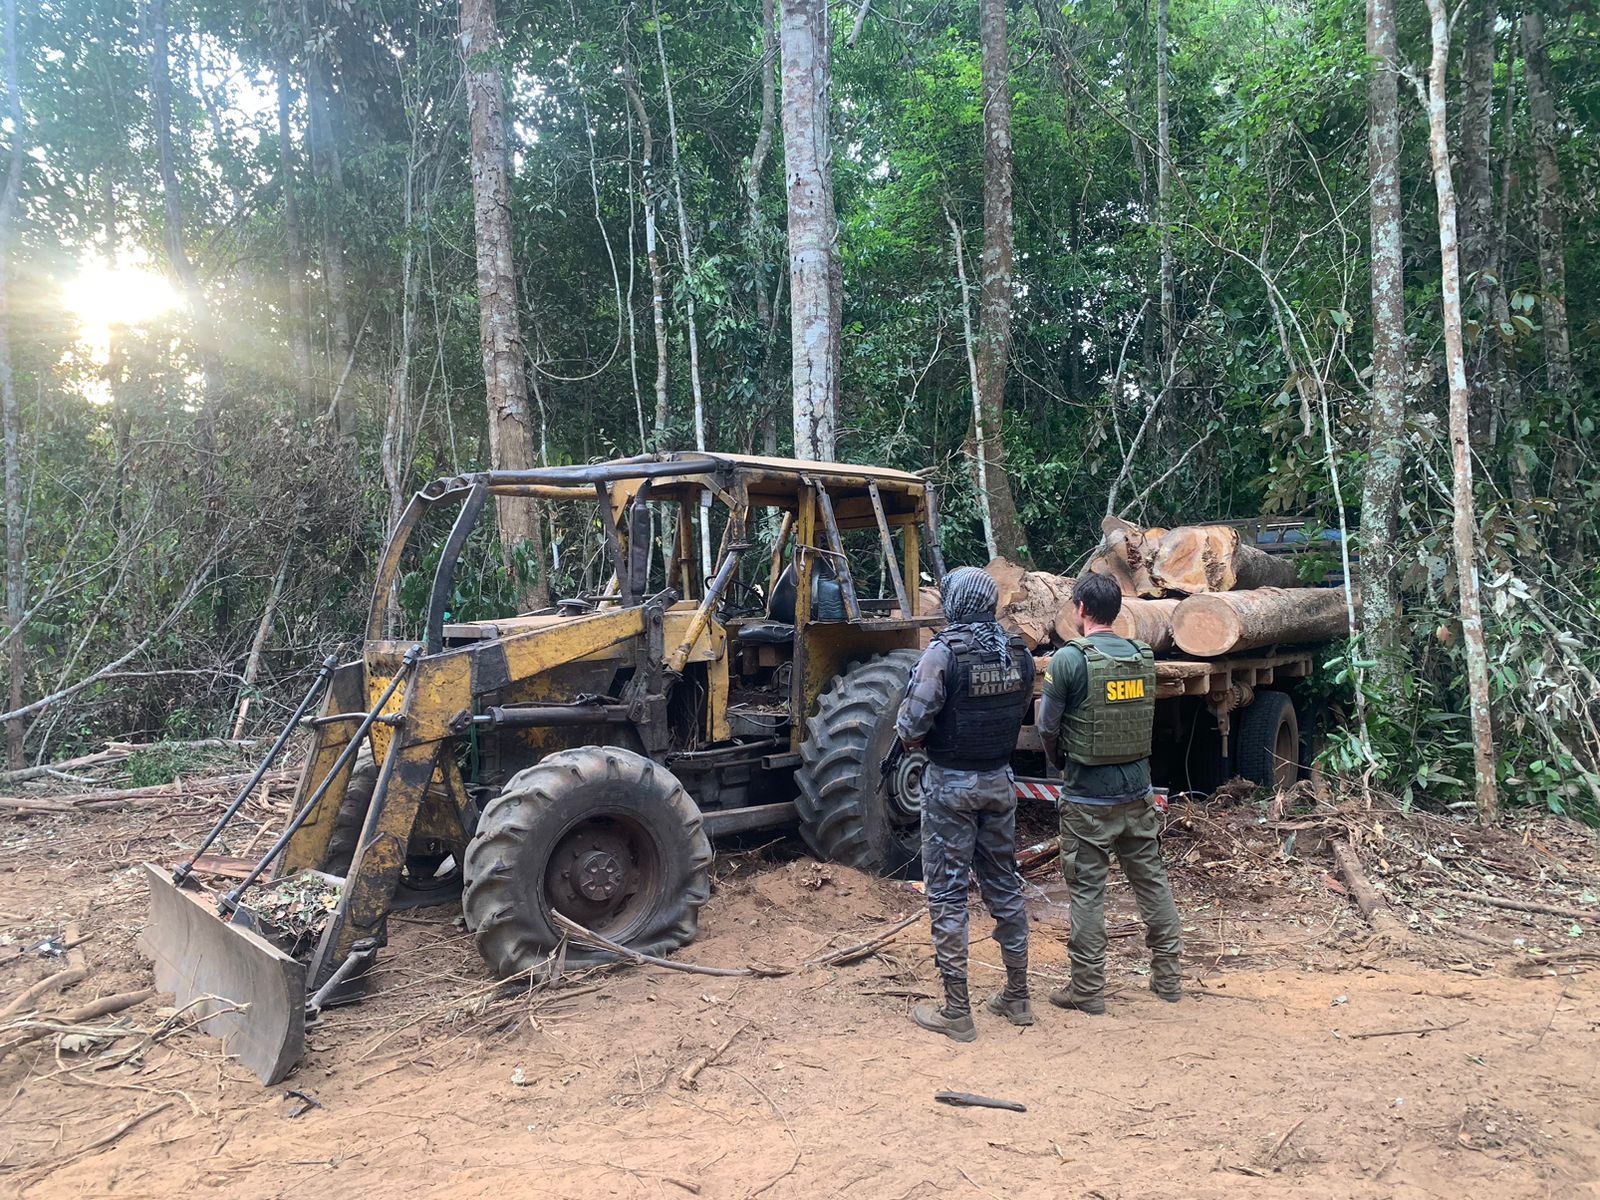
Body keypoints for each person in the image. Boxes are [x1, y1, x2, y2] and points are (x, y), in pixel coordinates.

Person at [893, 567, 1035, 1041]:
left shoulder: (943, 653)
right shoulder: (1017, 650)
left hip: (951, 788)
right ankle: (1018, 997)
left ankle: (958, 1010)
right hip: (999, 782)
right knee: (1004, 888)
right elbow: (1020, 713)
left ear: (955, 603)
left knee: (948, 894)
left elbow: (911, 727)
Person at [1037, 573, 1182, 1013]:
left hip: (1087, 799)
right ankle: (1169, 981)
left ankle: (1087, 990)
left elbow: (1047, 727)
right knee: (1153, 884)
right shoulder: (1142, 656)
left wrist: (1061, 761)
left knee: (1087, 893)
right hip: (1138, 792)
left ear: (1080, 609)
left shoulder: (1067, 660)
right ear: (1116, 610)